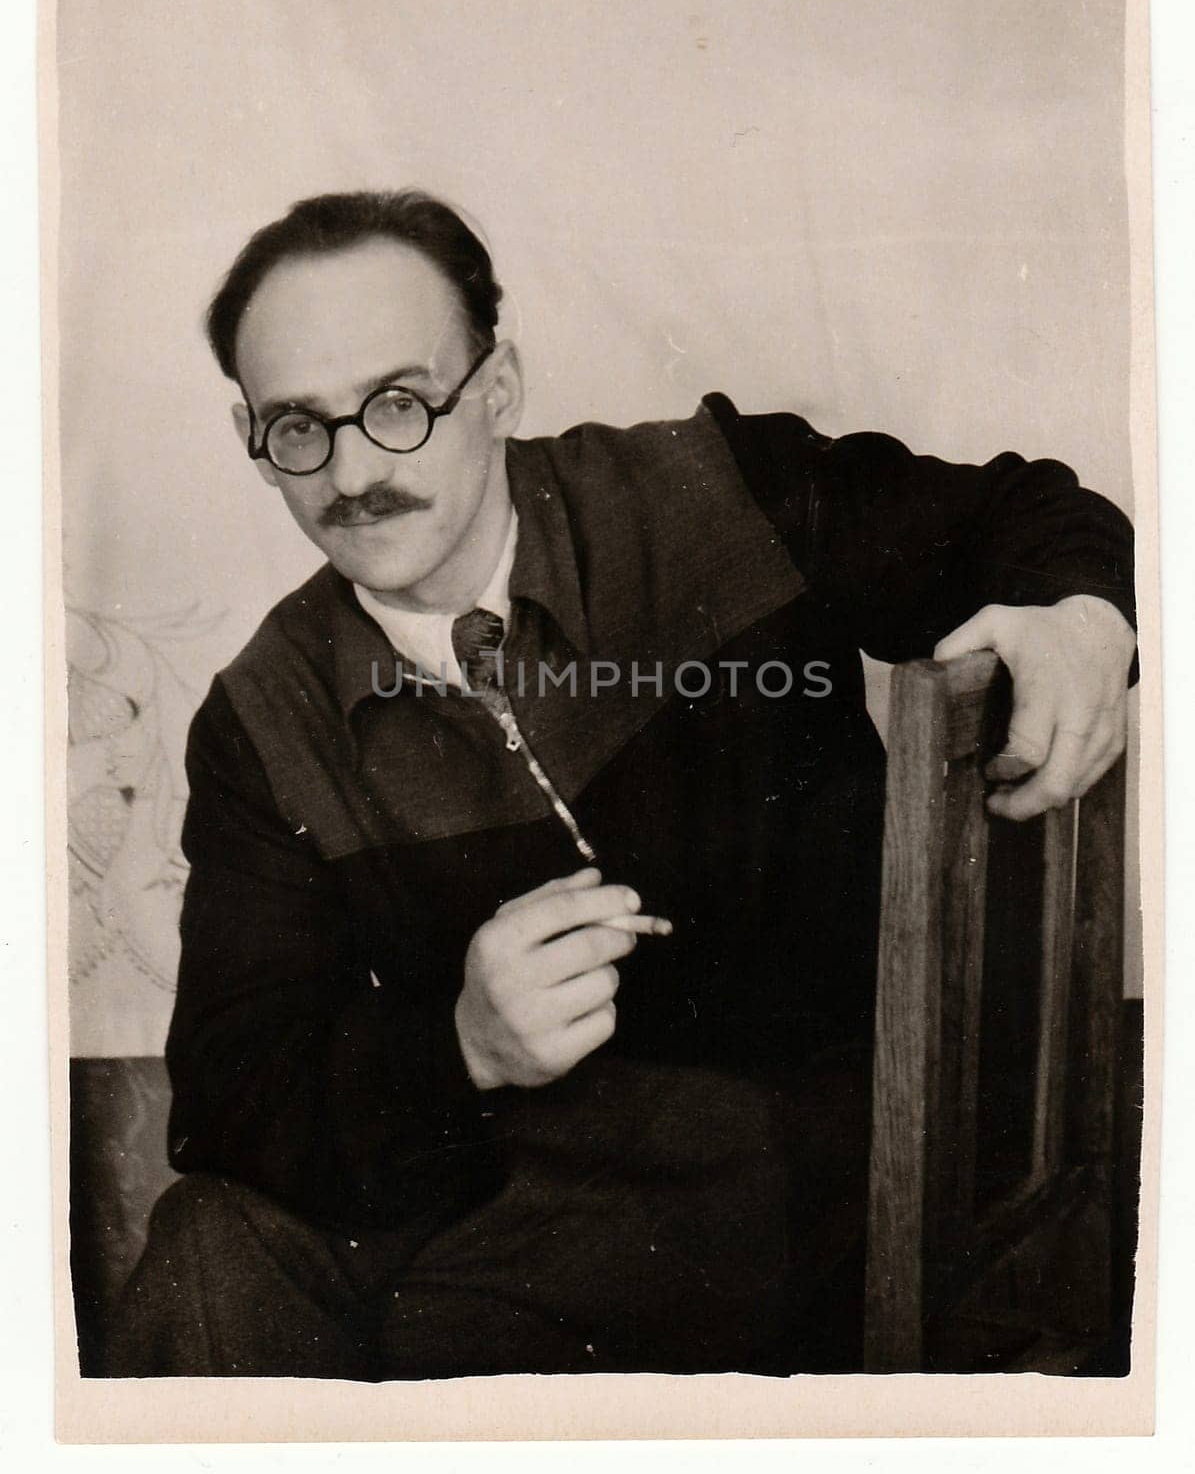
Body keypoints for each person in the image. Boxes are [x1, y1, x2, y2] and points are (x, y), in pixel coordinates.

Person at [109, 190, 1136, 1379]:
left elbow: (1021, 513)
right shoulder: (260, 719)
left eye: (398, 403)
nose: (351, 474)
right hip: (489, 1163)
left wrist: (1081, 614)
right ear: (252, 435)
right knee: (208, 1253)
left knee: (453, 1342)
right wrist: (461, 1045)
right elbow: (231, 1092)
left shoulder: (713, 494)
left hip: (808, 1150)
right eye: (298, 427)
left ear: (496, 385)